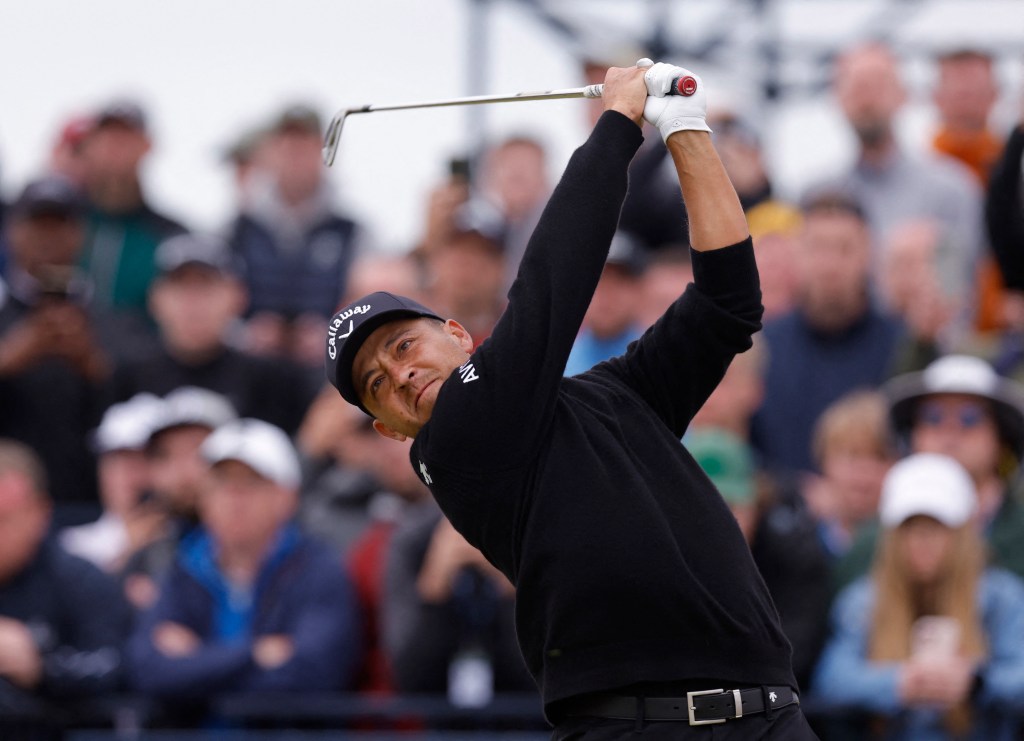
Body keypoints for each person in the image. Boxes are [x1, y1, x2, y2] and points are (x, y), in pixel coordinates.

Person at [324, 60, 816, 738]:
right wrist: (618, 124)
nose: (400, 375)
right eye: (377, 383)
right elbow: (551, 284)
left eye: (403, 346)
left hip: (769, 716)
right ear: (386, 428)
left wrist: (685, 128)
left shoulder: (613, 395)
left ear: (459, 334)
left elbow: (728, 302)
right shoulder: (454, 445)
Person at [125, 418, 363, 706]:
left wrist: (198, 662)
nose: (233, 499)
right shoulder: (183, 567)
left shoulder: (319, 568)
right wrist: (254, 654)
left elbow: (315, 674)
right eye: (220, 483)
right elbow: (149, 671)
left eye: (250, 484)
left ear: (285, 496)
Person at [812, 453, 1024, 740]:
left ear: (962, 533)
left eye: (936, 527)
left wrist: (975, 682)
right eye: (911, 528)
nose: (923, 541)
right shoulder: (863, 600)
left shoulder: (1002, 597)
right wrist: (898, 682)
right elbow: (831, 678)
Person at [0, 175, 156, 513]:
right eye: (38, 226)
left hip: (94, 510)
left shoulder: (115, 324)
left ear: (80, 235)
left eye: (59, 226)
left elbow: (147, 407)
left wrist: (94, 365)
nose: (48, 238)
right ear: (13, 232)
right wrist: (11, 357)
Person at [750, 190, 919, 477]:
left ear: (868, 255)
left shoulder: (902, 344)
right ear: (797, 255)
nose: (830, 266)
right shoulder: (763, 347)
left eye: (844, 249)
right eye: (817, 248)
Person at [835, 354, 1024, 592]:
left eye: (969, 417)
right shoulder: (873, 542)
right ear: (912, 435)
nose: (950, 429)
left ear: (1001, 438)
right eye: (933, 416)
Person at [821, 41, 984, 312]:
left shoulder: (952, 189)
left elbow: (963, 291)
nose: (867, 100)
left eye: (877, 85)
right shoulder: (818, 195)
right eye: (856, 87)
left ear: (903, 94)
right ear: (837, 98)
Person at [109, 232, 316, 434]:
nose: (193, 303)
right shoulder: (124, 381)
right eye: (180, 287)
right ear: (155, 299)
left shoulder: (274, 384)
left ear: (238, 296)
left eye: (206, 286)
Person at [226, 104, 368, 367]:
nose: (295, 156)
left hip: (327, 369)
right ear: (270, 150)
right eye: (287, 145)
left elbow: (368, 297)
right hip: (249, 369)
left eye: (305, 145)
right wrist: (245, 332)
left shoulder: (353, 230)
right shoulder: (236, 228)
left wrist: (332, 332)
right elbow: (216, 300)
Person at [0, 440, 131, 723]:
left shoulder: (80, 580)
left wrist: (40, 666)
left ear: (39, 513)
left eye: (3, 519)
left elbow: (115, 668)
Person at [77, 99, 187, 321]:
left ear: (147, 146)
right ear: (89, 146)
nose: (116, 147)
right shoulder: (59, 225)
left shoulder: (171, 236)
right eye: (107, 138)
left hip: (146, 354)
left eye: (126, 138)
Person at [59, 392, 165, 572]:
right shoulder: (72, 547)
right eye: (118, 461)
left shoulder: (199, 542)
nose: (132, 476)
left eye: (146, 459)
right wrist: (127, 547)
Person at [563, 230, 647, 376]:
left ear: (639, 290)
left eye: (619, 283)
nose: (607, 294)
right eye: (597, 282)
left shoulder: (656, 361)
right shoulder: (556, 363)